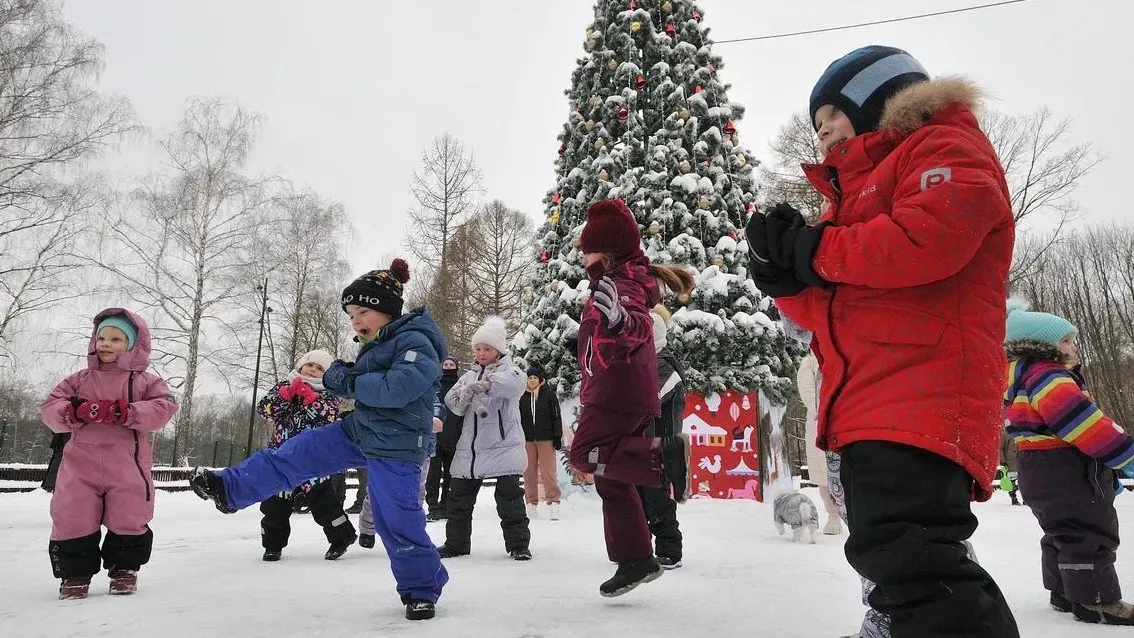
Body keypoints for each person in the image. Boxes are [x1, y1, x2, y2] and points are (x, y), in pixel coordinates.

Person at [745, 46, 1019, 636]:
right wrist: (784, 277)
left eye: (830, 119)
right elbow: (831, 310)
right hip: (869, 400)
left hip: (924, 389)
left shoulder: (942, 145)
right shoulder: (849, 198)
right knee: (893, 552)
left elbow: (930, 237)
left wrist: (814, 251)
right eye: (816, 128)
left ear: (875, 101)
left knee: (912, 557)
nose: (820, 136)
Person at [190, 259, 449, 621]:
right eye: (350, 315)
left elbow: (398, 388)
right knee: (296, 452)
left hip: (399, 443)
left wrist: (342, 380)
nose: (355, 321)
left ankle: (422, 588)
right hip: (362, 429)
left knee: (396, 519)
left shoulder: (415, 340)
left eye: (362, 311)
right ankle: (229, 488)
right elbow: (365, 381)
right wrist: (343, 372)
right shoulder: (379, 343)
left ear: (386, 309)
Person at [565, 198, 694, 598]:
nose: (581, 256)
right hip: (618, 388)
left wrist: (622, 321)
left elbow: (640, 324)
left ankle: (663, 454)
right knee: (610, 475)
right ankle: (635, 558)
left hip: (617, 392)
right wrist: (585, 341)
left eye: (586, 249)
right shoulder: (617, 281)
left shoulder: (622, 283)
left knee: (585, 454)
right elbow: (607, 334)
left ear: (605, 250)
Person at [1004, 301, 1134, 625]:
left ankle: (1064, 591)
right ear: (1042, 345)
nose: (1073, 347)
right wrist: (1126, 454)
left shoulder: (1021, 379)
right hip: (1065, 468)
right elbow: (1084, 425)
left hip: (1037, 467)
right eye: (1066, 341)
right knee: (1088, 530)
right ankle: (1096, 601)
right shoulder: (1049, 377)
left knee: (1061, 531)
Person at [40, 309, 178, 599]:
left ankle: (124, 569)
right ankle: (74, 574)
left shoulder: (145, 382)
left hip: (126, 465)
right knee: (72, 514)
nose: (105, 343)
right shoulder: (79, 380)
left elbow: (164, 407)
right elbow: (50, 409)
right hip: (81, 466)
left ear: (133, 344)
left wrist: (126, 411)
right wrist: (73, 410)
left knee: (128, 514)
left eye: (116, 338)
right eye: (101, 337)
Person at [439, 316, 532, 561]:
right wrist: (465, 392)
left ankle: (519, 545)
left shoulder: (511, 370)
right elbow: (451, 402)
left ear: (498, 350)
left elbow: (515, 386)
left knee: (509, 498)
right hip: (470, 449)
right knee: (458, 498)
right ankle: (456, 544)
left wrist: (487, 383)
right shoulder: (468, 375)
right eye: (478, 349)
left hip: (504, 446)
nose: (481, 353)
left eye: (487, 348)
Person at [255, 349, 356, 561]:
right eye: (310, 365)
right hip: (282, 458)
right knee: (275, 506)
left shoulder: (327, 395)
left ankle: (342, 537)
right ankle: (273, 545)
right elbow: (265, 409)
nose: (313, 370)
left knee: (324, 505)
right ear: (300, 366)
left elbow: (329, 417)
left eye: (320, 368)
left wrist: (311, 400)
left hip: (312, 461)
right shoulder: (284, 387)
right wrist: (286, 395)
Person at [637, 305, 684, 569]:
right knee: (638, 497)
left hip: (662, 444)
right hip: (641, 444)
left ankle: (669, 548)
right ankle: (639, 548)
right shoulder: (640, 365)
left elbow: (649, 399)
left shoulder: (665, 366)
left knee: (658, 499)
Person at [796, 352, 841, 534]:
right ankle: (834, 517)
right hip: (820, 425)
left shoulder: (841, 354)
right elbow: (809, 396)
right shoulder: (809, 363)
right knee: (824, 476)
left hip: (845, 422)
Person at [519, 365, 563, 520]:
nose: (532, 381)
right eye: (529, 378)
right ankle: (531, 503)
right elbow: (516, 419)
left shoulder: (549, 395)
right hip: (527, 440)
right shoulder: (521, 396)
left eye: (535, 378)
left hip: (546, 439)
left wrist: (557, 436)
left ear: (540, 380)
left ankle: (554, 503)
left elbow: (556, 416)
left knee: (548, 472)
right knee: (528, 472)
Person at [424, 356, 462, 521]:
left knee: (450, 474)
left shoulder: (461, 385)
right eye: (445, 364)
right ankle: (433, 506)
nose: (447, 367)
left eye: (451, 364)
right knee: (433, 474)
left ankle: (446, 505)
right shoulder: (434, 385)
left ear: (456, 367)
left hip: (454, 435)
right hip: (434, 437)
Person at [999, 429, 1021, 506]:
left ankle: (1025, 498)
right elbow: (1000, 448)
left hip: (1022, 460)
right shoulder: (1005, 434)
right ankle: (1013, 498)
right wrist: (1003, 461)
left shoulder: (1022, 431)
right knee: (1012, 481)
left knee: (1024, 481)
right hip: (1010, 462)